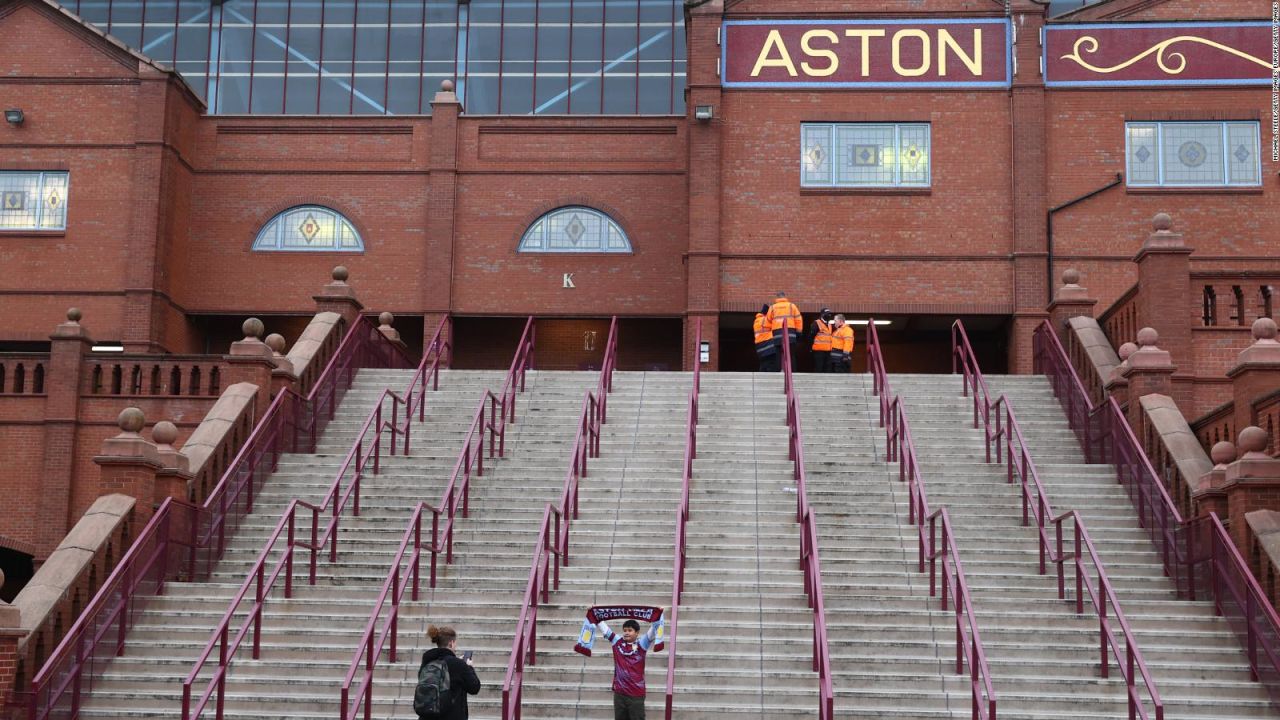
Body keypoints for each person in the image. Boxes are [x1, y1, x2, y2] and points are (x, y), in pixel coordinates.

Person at [416, 624, 481, 720]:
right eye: (455, 643)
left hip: (427, 715)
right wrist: (469, 667)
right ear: (451, 643)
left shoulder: (428, 661)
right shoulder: (458, 665)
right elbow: (474, 687)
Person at [599, 618, 660, 720]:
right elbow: (606, 630)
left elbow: (653, 629)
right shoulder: (617, 642)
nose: (626, 633)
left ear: (637, 633)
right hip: (619, 694)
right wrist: (596, 616)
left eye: (630, 630)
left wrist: (658, 616)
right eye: (625, 630)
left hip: (636, 695)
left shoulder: (642, 644)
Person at [764, 291, 802, 369]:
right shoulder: (792, 306)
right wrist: (798, 332)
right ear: (785, 297)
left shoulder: (772, 307)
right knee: (791, 354)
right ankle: (793, 371)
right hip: (790, 333)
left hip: (777, 334)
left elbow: (767, 322)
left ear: (777, 298)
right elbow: (798, 319)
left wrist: (769, 333)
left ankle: (778, 372)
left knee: (778, 354)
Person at [753, 303, 778, 372]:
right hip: (768, 346)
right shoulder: (766, 320)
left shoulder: (756, 321)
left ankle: (762, 376)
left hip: (759, 347)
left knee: (763, 364)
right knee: (771, 363)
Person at [810, 308, 834, 373]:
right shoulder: (816, 323)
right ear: (822, 315)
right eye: (827, 314)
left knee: (827, 368)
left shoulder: (829, 325)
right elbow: (811, 336)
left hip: (828, 351)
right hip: (819, 350)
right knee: (818, 367)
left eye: (829, 314)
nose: (829, 315)